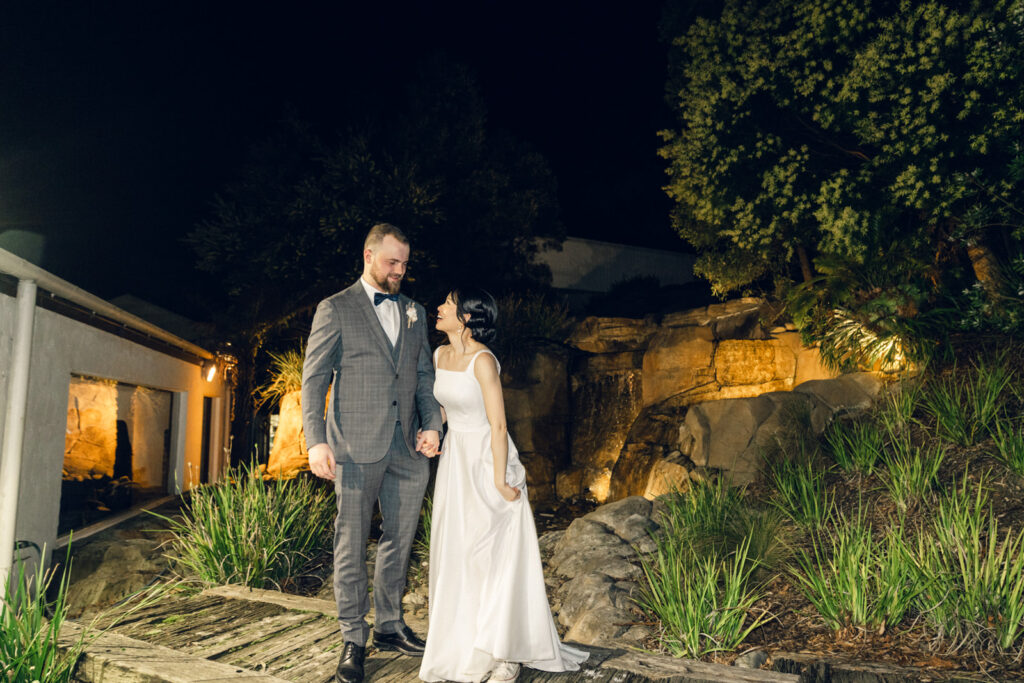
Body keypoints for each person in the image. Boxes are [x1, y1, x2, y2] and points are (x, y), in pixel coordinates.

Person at [419, 287, 589, 683]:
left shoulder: (483, 361)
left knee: (493, 557)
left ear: (466, 318)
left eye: (447, 303)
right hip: (455, 461)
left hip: (486, 458)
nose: (439, 308)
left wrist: (499, 478)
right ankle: (465, 644)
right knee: (459, 552)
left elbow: (498, 424)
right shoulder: (439, 355)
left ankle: (504, 652)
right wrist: (431, 431)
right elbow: (445, 406)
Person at [302, 223, 443, 683]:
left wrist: (433, 425)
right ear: (368, 255)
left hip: (408, 449)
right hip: (355, 447)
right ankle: (352, 638)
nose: (400, 271)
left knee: (399, 540)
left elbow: (424, 377)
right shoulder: (336, 308)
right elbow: (315, 379)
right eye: (392, 262)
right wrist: (315, 439)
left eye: (405, 263)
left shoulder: (416, 312)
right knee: (351, 541)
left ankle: (388, 625)